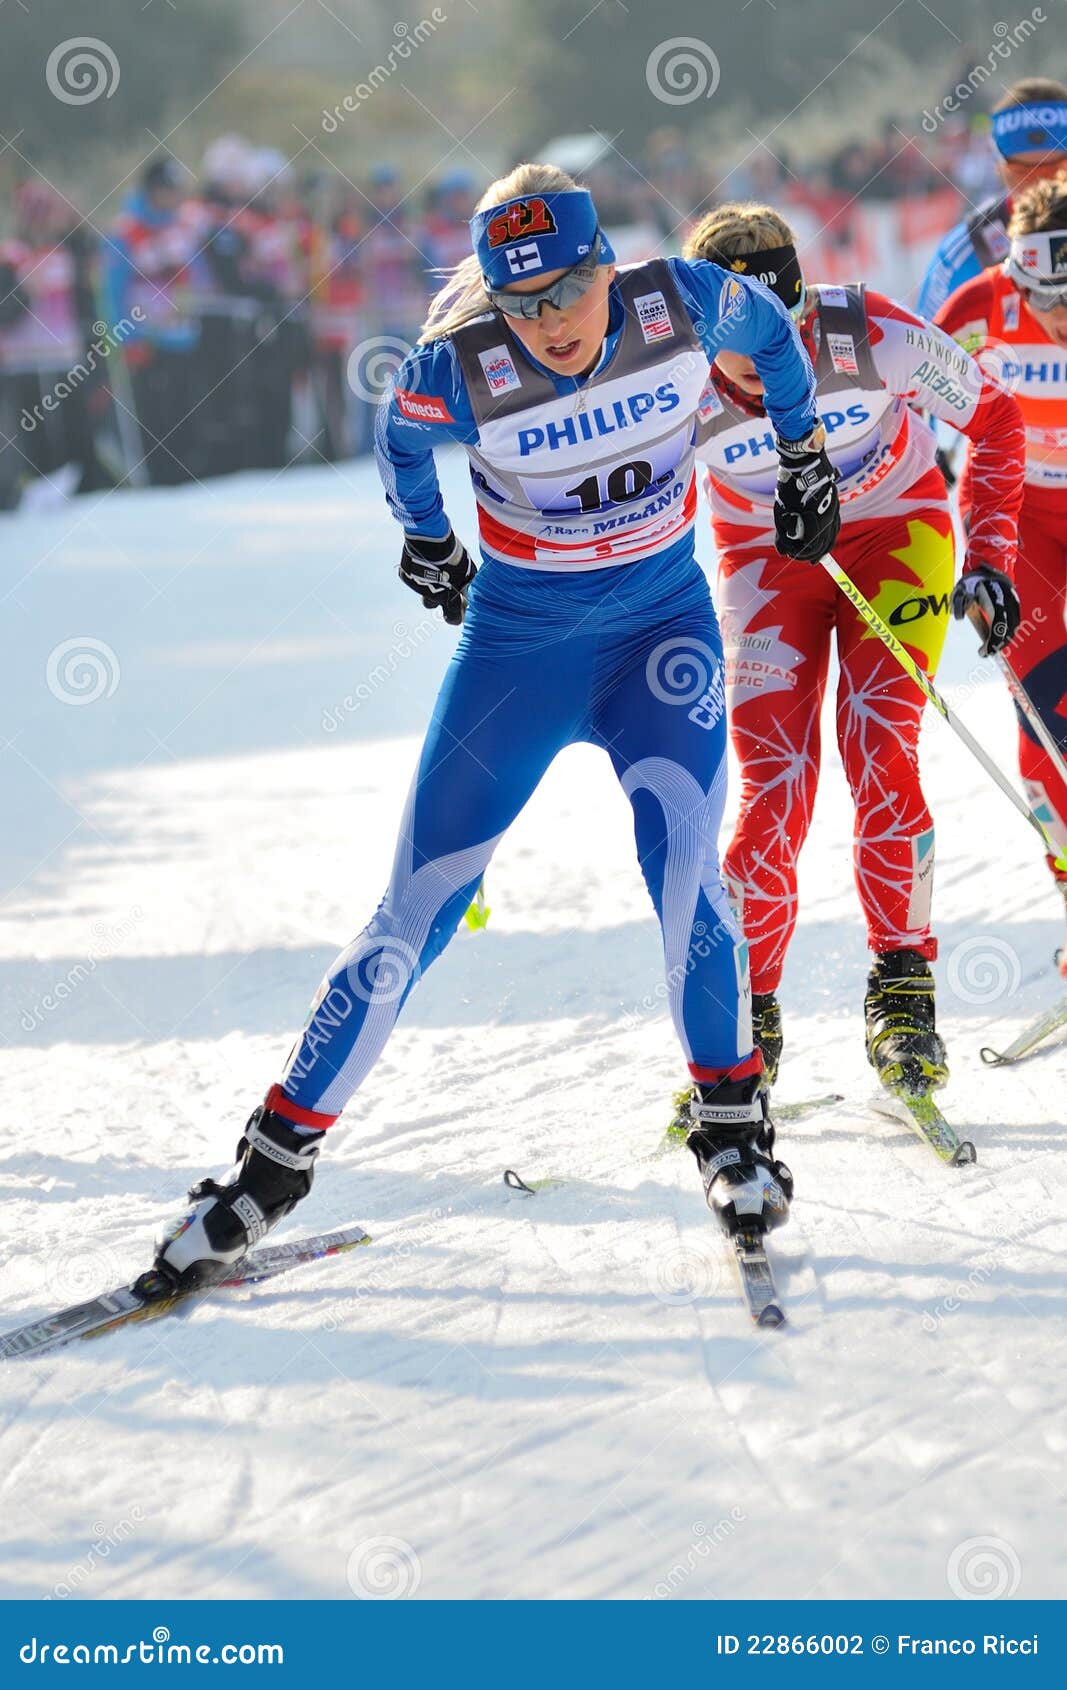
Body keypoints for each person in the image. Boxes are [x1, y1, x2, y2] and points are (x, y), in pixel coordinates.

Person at [150, 163, 841, 1292]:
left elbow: (771, 333)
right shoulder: (458, 370)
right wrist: (426, 541)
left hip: (658, 642)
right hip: (521, 654)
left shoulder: (680, 301)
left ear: (602, 266)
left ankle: (732, 1129)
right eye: (520, 308)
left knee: (682, 868)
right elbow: (397, 442)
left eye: (566, 294)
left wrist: (804, 459)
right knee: (414, 904)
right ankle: (268, 1168)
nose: (549, 327)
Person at [681, 202, 1024, 1095]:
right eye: (745, 347)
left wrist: (988, 558)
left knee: (878, 745)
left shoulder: (866, 333)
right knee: (775, 783)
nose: (771, 365)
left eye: (783, 335)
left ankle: (902, 992)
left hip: (894, 538)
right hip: (765, 561)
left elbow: (996, 422)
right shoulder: (670, 375)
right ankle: (745, 1019)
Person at [935, 169, 1067, 974]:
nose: (1058, 319)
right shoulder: (980, 308)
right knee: (1050, 726)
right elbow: (905, 404)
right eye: (1045, 300)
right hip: (1020, 532)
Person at [917, 79, 1067, 320]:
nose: (1041, 185)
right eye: (1021, 172)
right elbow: (923, 346)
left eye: (1057, 170)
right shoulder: (967, 253)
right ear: (998, 168)